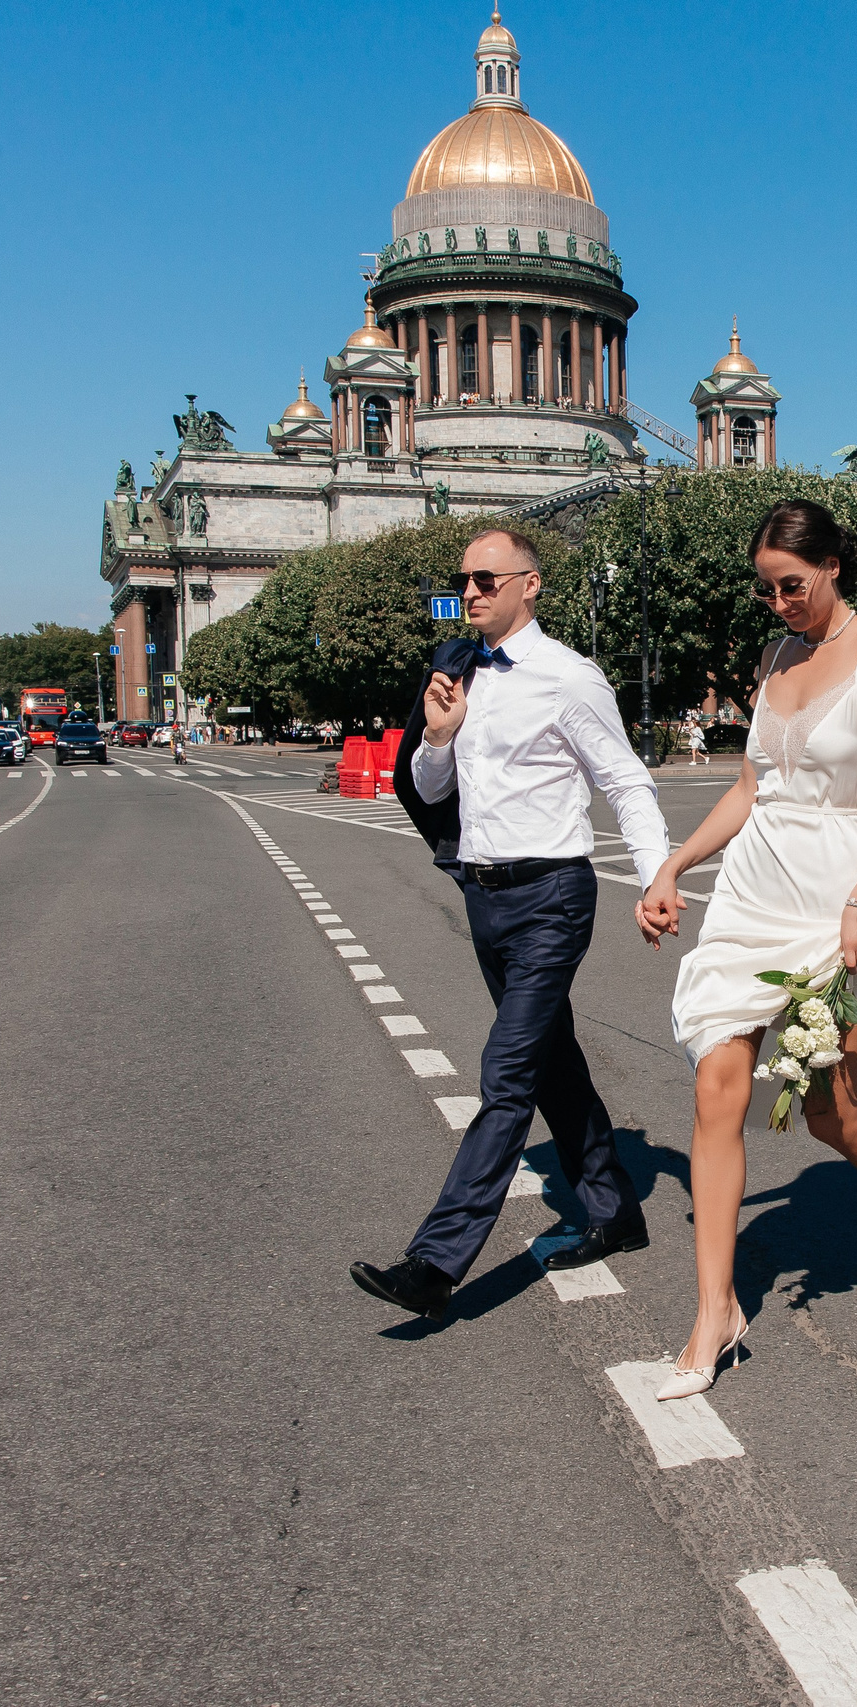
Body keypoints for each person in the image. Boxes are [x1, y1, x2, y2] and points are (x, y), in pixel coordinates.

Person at [636, 499, 857, 1402]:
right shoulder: (772, 656)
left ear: (834, 564)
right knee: (714, 1088)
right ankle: (714, 1311)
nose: (779, 605)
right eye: (768, 590)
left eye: (793, 586)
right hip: (752, 892)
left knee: (827, 1114)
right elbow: (750, 789)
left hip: (833, 892)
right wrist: (676, 860)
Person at [351, 528, 670, 1321]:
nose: (472, 591)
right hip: (484, 894)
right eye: (464, 579)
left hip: (553, 896)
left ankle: (436, 1261)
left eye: (487, 578)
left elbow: (626, 782)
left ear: (531, 585)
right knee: (550, 1062)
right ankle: (613, 1208)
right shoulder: (456, 672)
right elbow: (428, 787)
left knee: (506, 1072)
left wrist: (657, 873)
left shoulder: (569, 677)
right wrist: (435, 734)